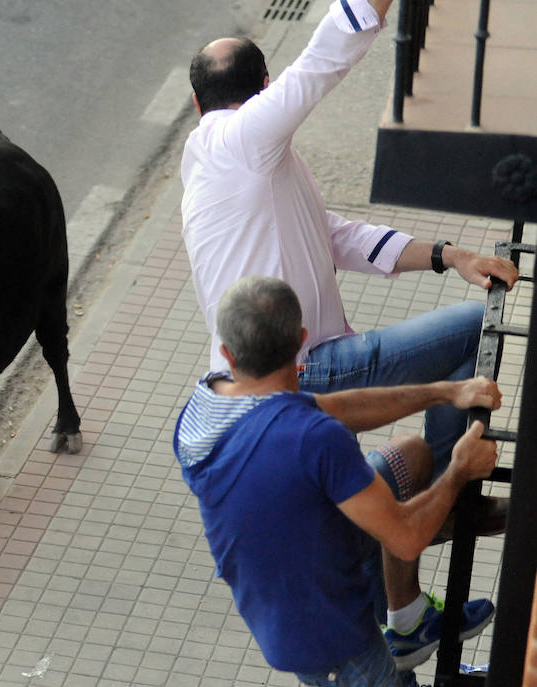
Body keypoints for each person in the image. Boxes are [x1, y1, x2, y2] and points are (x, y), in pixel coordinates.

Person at [180, 0, 515, 665]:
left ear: (194, 103)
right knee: (475, 326)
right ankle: (457, 502)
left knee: (410, 456)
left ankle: (410, 613)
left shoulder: (249, 163)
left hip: (303, 375)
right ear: (264, 92)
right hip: (310, 368)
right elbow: (325, 57)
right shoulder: (241, 140)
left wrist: (449, 255)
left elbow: (335, 235)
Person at [174, 276, 500, 685]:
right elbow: (405, 536)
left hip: (290, 574)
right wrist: (459, 470)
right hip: (326, 636)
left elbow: (335, 407)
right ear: (302, 341)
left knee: (411, 456)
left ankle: (408, 621)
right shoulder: (311, 439)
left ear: (226, 352)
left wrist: (444, 392)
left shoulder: (205, 402)